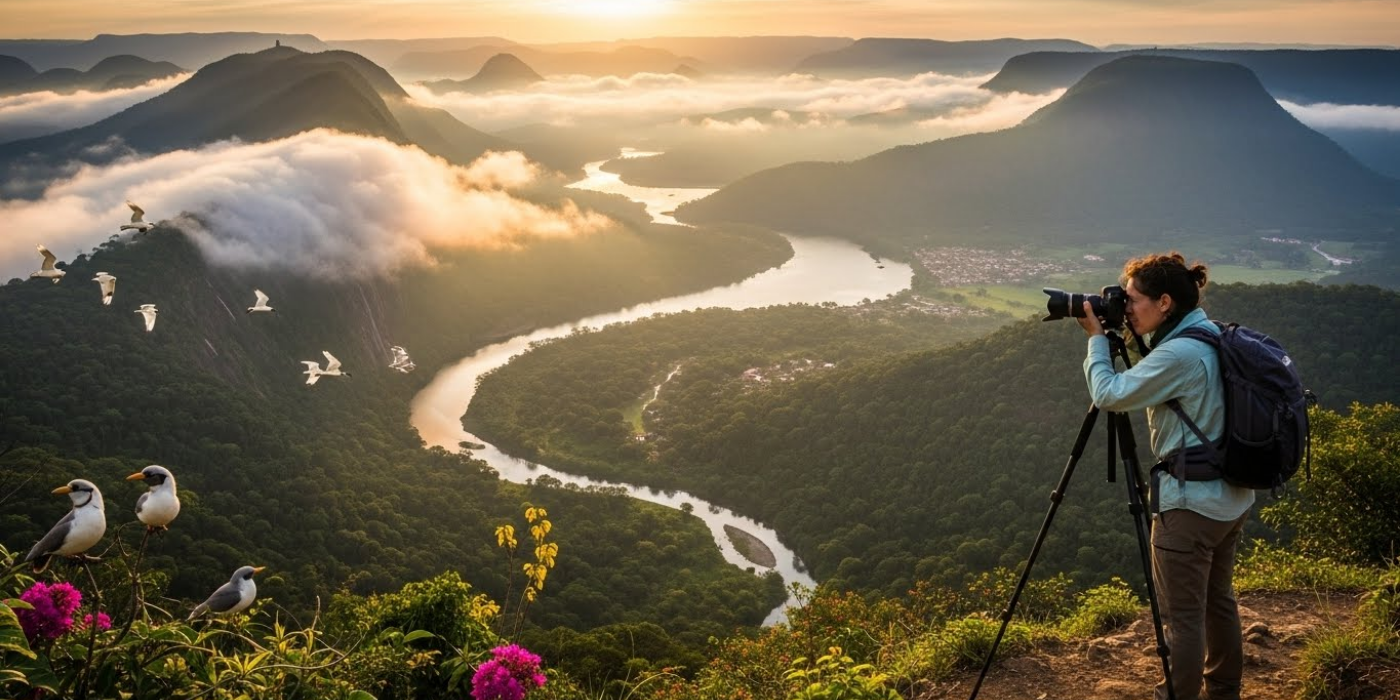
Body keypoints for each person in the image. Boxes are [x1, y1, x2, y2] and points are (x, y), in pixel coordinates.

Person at [1076, 252, 1254, 700]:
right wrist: (1130, 332)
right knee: (1218, 602)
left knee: (1185, 618)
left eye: (1133, 299)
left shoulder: (1180, 354)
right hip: (1230, 499)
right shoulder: (1209, 334)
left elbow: (1110, 393)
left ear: (1166, 302)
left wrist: (1098, 341)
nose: (1125, 306)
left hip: (1190, 506)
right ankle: (1224, 692)